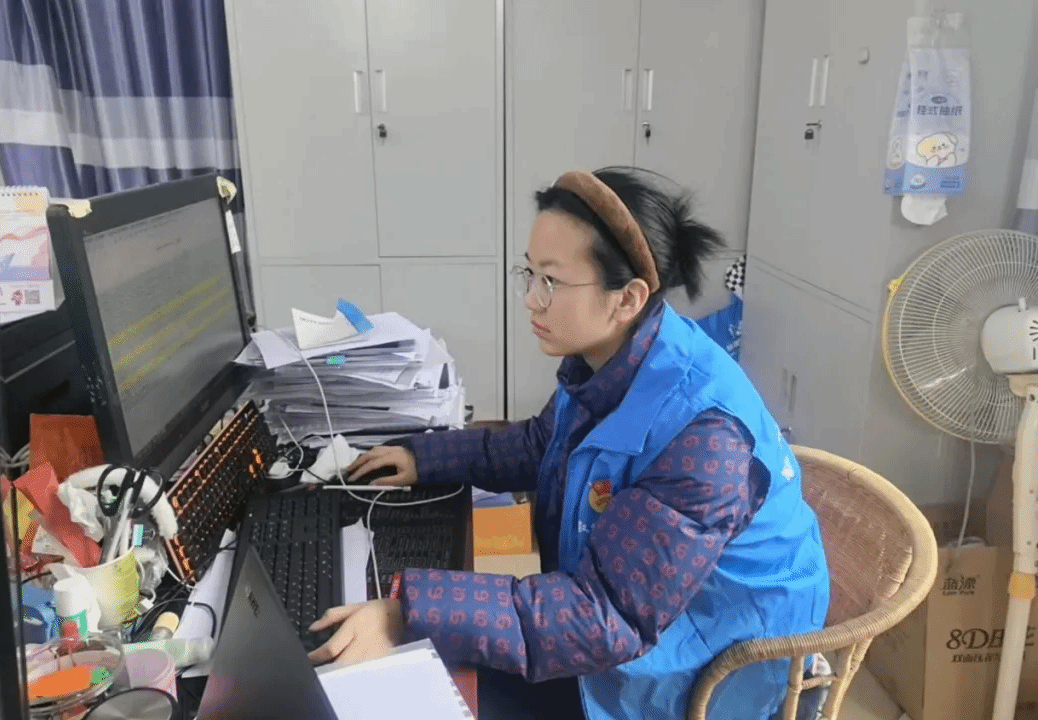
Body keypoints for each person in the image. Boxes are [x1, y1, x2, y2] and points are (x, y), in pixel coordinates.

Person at [307, 167, 830, 720]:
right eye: (529, 274)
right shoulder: (618, 354)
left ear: (627, 298)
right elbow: (543, 443)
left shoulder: (706, 442)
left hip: (709, 662)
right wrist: (423, 458)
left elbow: (604, 618)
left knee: (436, 688)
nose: (531, 300)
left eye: (551, 282)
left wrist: (408, 612)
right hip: (631, 611)